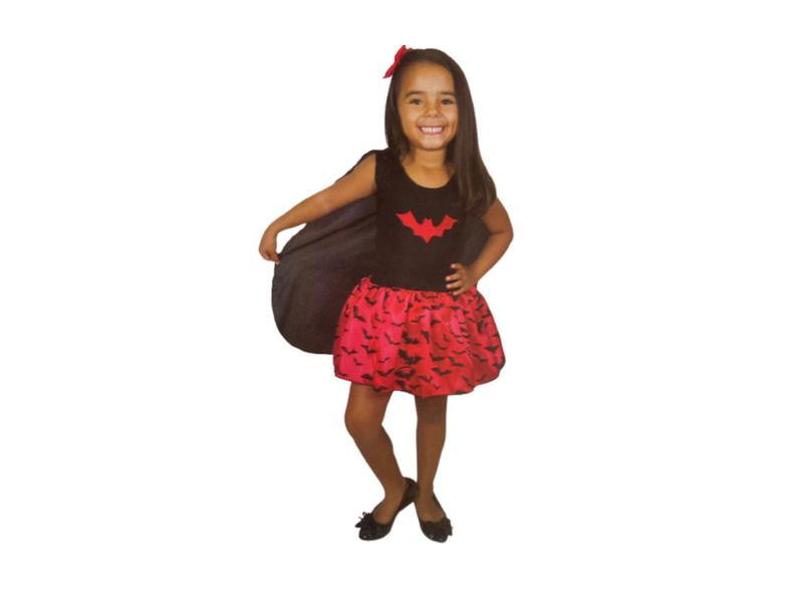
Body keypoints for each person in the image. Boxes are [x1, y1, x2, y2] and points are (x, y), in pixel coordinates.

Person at [258, 45, 513, 542]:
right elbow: (329, 199)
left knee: (431, 410)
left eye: (445, 100)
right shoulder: (381, 168)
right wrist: (278, 224)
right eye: (416, 100)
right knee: (360, 419)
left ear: (463, 109)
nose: (432, 112)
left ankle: (428, 493)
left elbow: (503, 231)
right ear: (396, 109)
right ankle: (396, 488)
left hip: (439, 319)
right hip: (383, 317)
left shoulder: (470, 180)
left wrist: (475, 272)